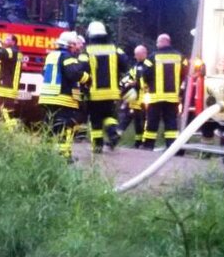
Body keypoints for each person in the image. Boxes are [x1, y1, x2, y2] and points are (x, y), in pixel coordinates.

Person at [38, 31, 90, 161]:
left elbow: (43, 72)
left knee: (50, 126)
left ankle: (44, 154)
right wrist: (88, 78)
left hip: (47, 96)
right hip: (63, 97)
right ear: (69, 45)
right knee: (67, 126)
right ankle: (65, 156)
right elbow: (74, 74)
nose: (76, 48)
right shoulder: (67, 56)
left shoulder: (51, 55)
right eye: (74, 45)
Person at [83, 21, 129, 153]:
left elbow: (81, 69)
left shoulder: (87, 50)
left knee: (96, 119)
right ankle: (113, 132)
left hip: (94, 93)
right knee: (109, 115)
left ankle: (97, 146)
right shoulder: (115, 49)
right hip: (112, 92)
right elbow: (126, 65)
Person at [139, 34, 184, 150]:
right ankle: (172, 146)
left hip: (156, 97)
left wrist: (146, 86)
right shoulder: (179, 57)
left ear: (162, 42)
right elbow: (185, 73)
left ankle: (148, 145)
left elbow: (145, 73)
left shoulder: (153, 57)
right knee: (171, 122)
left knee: (152, 121)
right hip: (172, 97)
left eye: (158, 42)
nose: (157, 45)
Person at [0, 34, 22, 130]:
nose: (5, 41)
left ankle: (10, 128)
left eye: (8, 39)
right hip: (10, 85)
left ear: (13, 42)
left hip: (6, 86)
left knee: (5, 108)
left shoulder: (11, 51)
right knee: (7, 109)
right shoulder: (15, 52)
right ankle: (10, 127)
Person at [119, 45, 149, 148]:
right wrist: (126, 84)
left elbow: (149, 81)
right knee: (136, 122)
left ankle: (145, 142)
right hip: (135, 100)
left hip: (146, 100)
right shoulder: (135, 67)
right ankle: (137, 143)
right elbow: (127, 78)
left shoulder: (149, 65)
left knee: (144, 121)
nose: (135, 57)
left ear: (143, 54)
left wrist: (136, 84)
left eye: (137, 54)